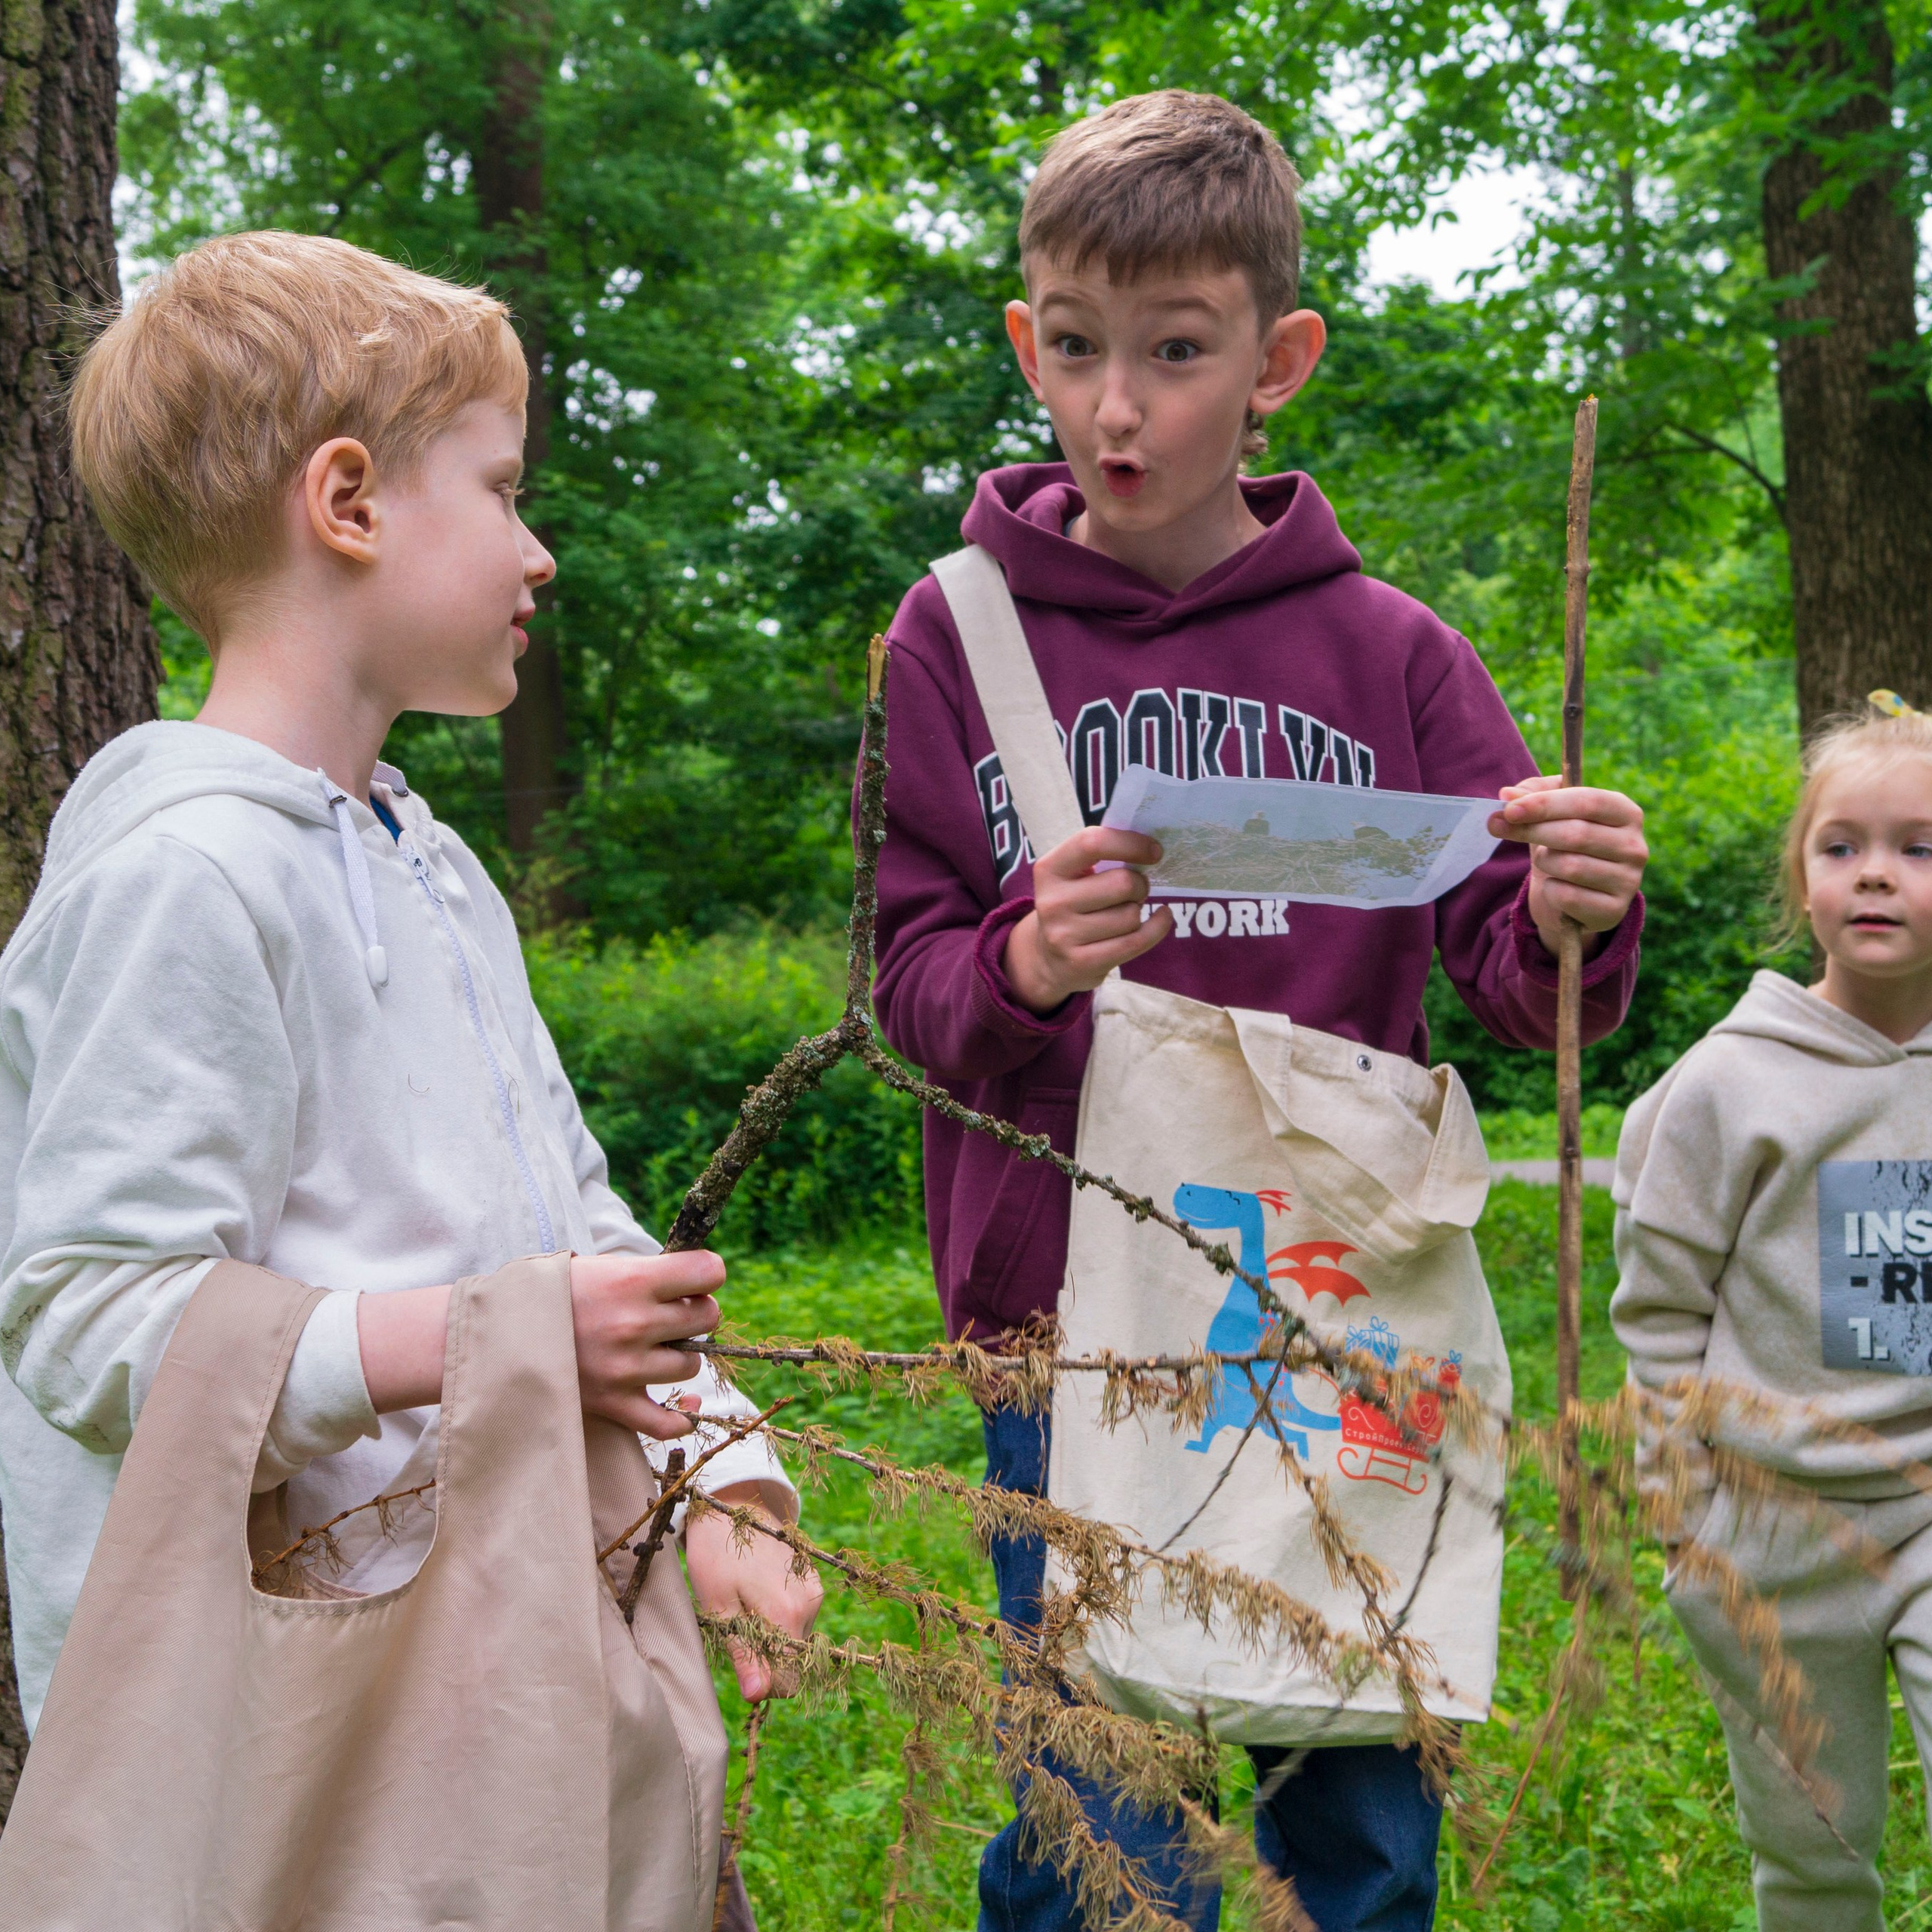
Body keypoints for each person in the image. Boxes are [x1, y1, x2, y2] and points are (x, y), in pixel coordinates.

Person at [869, 91, 1649, 1932]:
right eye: (1074, 348)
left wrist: (1571, 908)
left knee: (1354, 1796)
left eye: (1175, 352)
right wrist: (1021, 965)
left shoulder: (1390, 653)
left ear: (1275, 360)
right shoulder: (956, 634)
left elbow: (1506, 969)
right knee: (1104, 1812)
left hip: (1331, 1308)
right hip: (1067, 1328)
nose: (1115, 406)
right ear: (1024, 343)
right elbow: (903, 982)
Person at [0, 230, 821, 1747]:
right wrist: (485, 1335)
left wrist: (720, 1474)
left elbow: (576, 1230)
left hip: (488, 1670)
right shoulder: (180, 880)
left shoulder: (431, 870)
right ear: (350, 503)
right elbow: (89, 1320)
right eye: (503, 489)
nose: (537, 551)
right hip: (285, 1752)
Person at [1612, 700, 1932, 1932]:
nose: (1877, 875)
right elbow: (1660, 1311)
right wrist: (1680, 1512)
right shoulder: (1729, 1083)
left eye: (1918, 848)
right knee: (1813, 1850)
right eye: (1842, 846)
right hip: (1770, 1532)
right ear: (1801, 877)